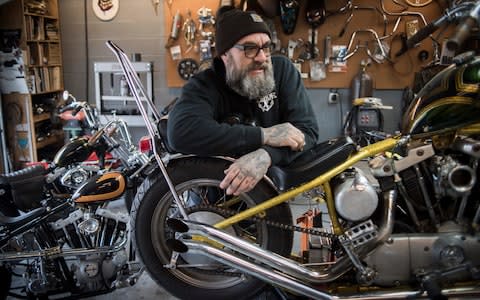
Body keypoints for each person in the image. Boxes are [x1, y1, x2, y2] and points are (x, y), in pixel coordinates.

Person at [167, 6, 319, 196]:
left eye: (266, 47)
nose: (262, 57)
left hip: (272, 196)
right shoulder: (205, 84)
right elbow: (181, 132)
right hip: (217, 200)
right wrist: (264, 135)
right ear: (225, 54)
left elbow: (307, 132)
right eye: (249, 49)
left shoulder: (282, 71)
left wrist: (266, 155)